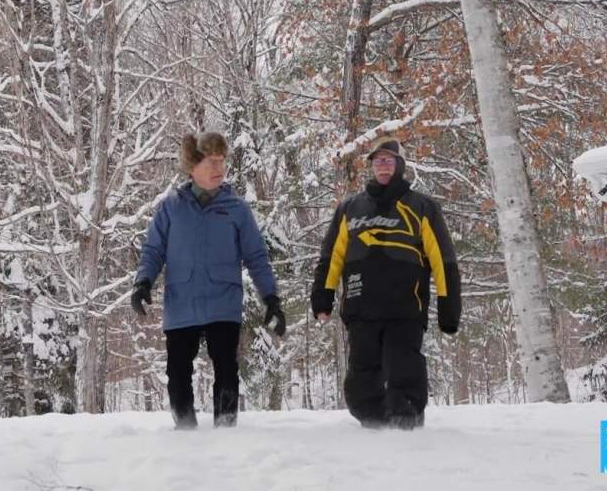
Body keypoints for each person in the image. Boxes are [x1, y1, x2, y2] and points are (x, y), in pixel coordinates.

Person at [131, 131, 285, 429]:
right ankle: (185, 433)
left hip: (222, 302)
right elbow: (153, 250)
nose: (219, 169)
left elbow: (256, 257)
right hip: (181, 304)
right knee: (177, 373)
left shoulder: (236, 209)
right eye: (211, 162)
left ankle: (225, 434)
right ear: (192, 167)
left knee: (227, 369)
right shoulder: (170, 207)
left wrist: (271, 299)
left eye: (221, 161)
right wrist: (143, 283)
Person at [310, 136, 461, 430]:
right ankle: (372, 426)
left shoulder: (421, 206)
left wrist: (449, 306)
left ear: (399, 165)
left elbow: (443, 260)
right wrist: (322, 298)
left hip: (405, 307)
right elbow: (331, 257)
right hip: (360, 306)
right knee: (360, 376)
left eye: (389, 160)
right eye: (377, 161)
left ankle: (406, 422)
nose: (383, 166)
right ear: (371, 166)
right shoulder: (349, 209)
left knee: (404, 365)